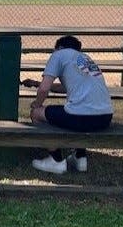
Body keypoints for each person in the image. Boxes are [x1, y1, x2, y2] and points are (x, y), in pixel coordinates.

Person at [21, 35, 114, 174]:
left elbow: (44, 89)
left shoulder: (58, 55)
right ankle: (80, 157)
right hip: (105, 117)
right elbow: (68, 87)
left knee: (37, 114)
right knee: (74, 111)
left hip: (81, 118)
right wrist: (36, 83)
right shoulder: (85, 59)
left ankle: (56, 160)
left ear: (59, 48)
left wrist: (37, 104)